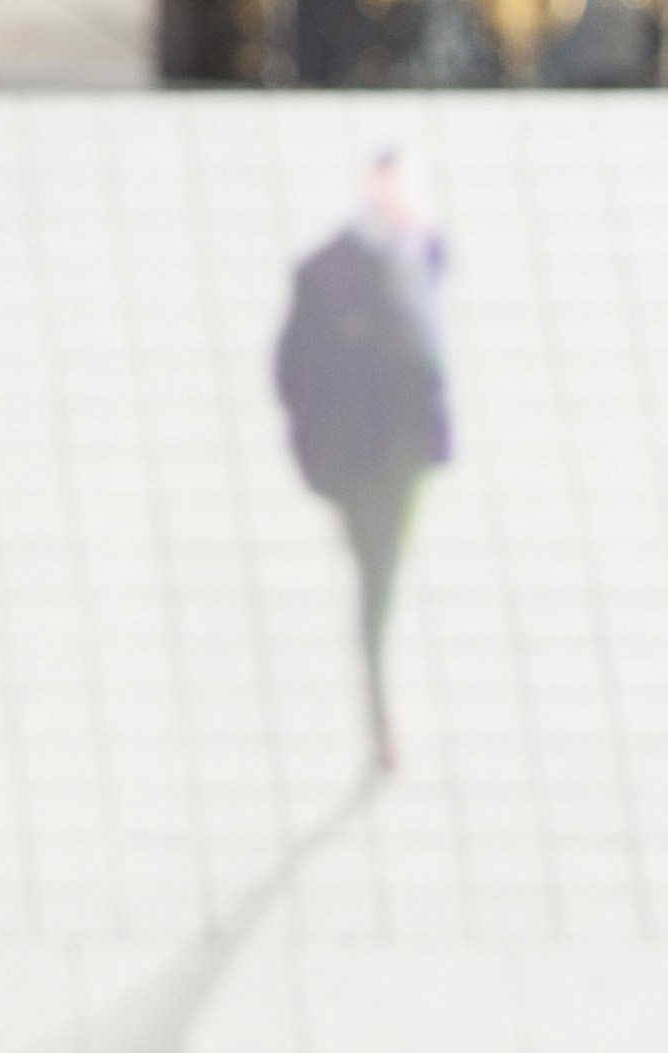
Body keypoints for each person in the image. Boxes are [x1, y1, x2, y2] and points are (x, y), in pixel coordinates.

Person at [272, 153, 452, 779]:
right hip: (356, 462)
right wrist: (319, 461)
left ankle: (383, 709)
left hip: (407, 455)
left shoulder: (424, 253)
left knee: (386, 571)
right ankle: (381, 717)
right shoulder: (325, 273)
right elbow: (292, 372)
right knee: (377, 580)